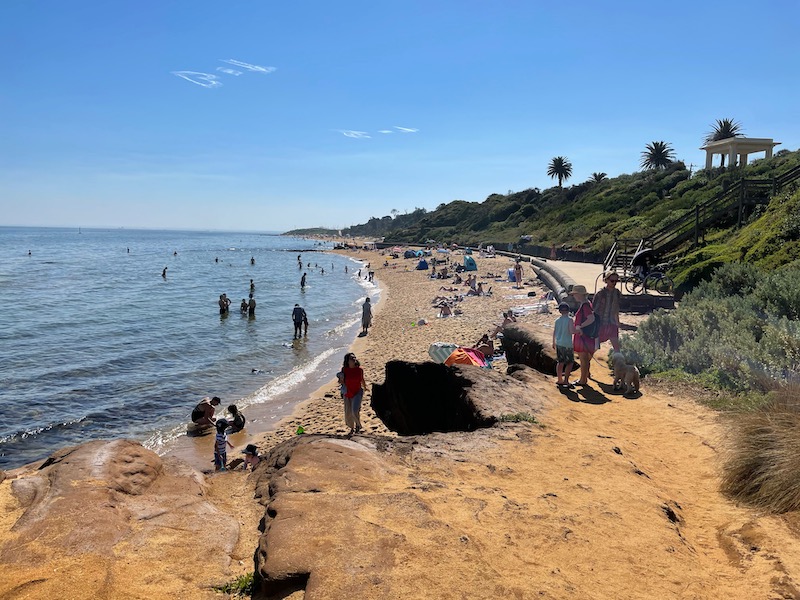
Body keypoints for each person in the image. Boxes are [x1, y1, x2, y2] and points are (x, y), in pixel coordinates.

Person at [570, 285, 596, 386]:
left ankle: (582, 380)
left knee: (583, 359)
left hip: (583, 336)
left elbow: (591, 318)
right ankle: (584, 378)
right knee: (585, 359)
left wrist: (580, 326)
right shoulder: (587, 304)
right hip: (587, 336)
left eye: (575, 294)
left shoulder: (585, 305)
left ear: (579, 295)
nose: (574, 296)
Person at [593, 272, 622, 351]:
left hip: (612, 323)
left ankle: (618, 361)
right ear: (606, 280)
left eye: (616, 281)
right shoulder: (600, 293)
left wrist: (617, 322)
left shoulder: (617, 293)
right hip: (600, 323)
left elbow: (616, 309)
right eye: (612, 281)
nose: (614, 283)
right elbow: (594, 309)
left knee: (617, 348)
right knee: (594, 347)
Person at [340, 352, 366, 434]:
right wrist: (340, 380)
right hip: (348, 393)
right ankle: (352, 428)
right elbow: (341, 382)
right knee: (348, 413)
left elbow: (362, 379)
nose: (354, 359)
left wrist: (365, 387)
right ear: (347, 361)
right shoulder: (344, 370)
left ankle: (358, 425)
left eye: (354, 357)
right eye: (351, 358)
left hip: (357, 392)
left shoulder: (359, 370)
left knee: (354, 411)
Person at [553, 302, 576, 388]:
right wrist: (578, 331)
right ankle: (566, 380)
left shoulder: (557, 320)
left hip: (559, 343)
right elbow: (571, 331)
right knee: (570, 362)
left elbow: (554, 332)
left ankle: (559, 379)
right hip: (567, 344)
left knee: (560, 362)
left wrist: (553, 342)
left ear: (559, 311)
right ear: (568, 310)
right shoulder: (570, 320)